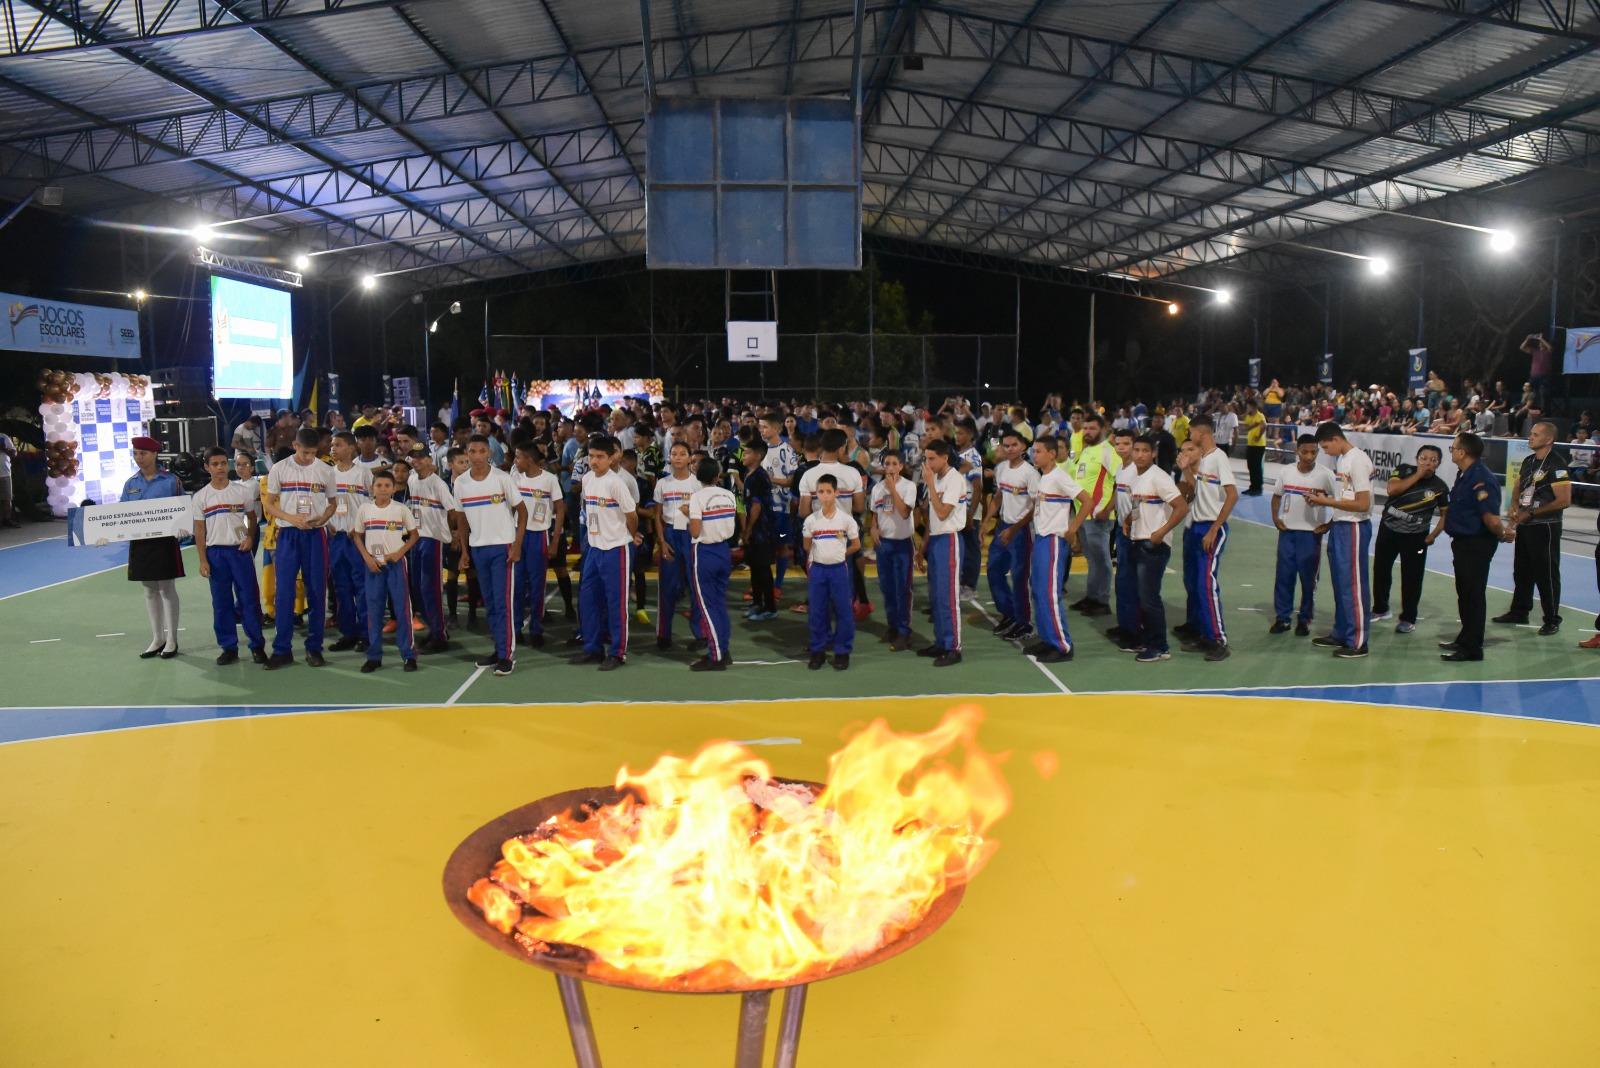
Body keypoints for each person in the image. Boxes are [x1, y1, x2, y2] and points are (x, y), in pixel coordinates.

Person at [263, 428, 337, 668]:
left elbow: (333, 503)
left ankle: (314, 648)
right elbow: (269, 503)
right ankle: (282, 649)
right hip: (288, 535)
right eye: (305, 452)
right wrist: (290, 518)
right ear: (295, 445)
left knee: (317, 591)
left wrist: (324, 518)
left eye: (313, 453)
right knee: (284, 591)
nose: (308, 458)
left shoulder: (325, 470)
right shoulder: (279, 468)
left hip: (315, 535)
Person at [455, 434, 526, 676]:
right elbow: (461, 519)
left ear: (490, 453)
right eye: (472, 451)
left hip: (503, 547)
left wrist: (517, 544)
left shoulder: (502, 478)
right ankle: (498, 648)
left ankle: (506, 655)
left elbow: (522, 511)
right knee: (491, 603)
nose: (476, 456)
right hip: (478, 548)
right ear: (466, 453)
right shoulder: (461, 483)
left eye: (481, 451)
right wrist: (464, 550)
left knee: (503, 602)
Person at [1493, 420, 1571, 635]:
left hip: (1545, 527)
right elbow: (1519, 485)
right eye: (1531, 433)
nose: (1530, 436)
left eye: (1535, 434)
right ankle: (1520, 610)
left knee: (1546, 573)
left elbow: (1564, 500)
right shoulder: (1529, 461)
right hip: (1526, 524)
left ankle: (1552, 619)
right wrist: (1514, 506)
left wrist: (1532, 513)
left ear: (1548, 439)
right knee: (1522, 571)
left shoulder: (1557, 463)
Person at [1305, 422, 1375, 658]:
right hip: (1341, 525)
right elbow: (1347, 496)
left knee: (1353, 585)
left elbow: (1363, 503)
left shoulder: (1357, 460)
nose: (1325, 452)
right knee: (1340, 583)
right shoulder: (1343, 460)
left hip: (1354, 527)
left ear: (1336, 439)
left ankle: (1357, 641)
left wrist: (1327, 503)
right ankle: (1342, 632)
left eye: (1326, 447)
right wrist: (1331, 515)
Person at [190, 447, 265, 665]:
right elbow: (199, 531)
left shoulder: (241, 492)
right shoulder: (201, 497)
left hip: (239, 553)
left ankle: (257, 645)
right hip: (216, 554)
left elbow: (252, 519)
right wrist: (203, 559)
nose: (220, 467)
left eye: (223, 463)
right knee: (221, 603)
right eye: (215, 464)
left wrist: (250, 538)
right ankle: (229, 647)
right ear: (207, 467)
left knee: (249, 599)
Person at [1442, 433, 1510, 662]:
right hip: (1463, 543)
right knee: (1465, 594)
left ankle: (1472, 647)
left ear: (1462, 452)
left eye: (1453, 448)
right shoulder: (1466, 475)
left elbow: (1490, 517)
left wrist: (1502, 533)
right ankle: (1465, 637)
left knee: (1473, 595)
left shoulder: (1481, 478)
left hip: (1475, 544)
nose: (1452, 451)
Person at [574, 434, 639, 670]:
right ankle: (592, 649)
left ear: (612, 458)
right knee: (588, 599)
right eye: (591, 456)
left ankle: (618, 653)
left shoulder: (616, 483)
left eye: (600, 457)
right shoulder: (588, 479)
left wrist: (628, 537)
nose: (594, 461)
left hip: (615, 549)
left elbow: (632, 515)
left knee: (616, 603)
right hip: (594, 547)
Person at [1175, 417, 1236, 662]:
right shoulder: (1206, 459)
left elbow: (1232, 495)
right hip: (1197, 525)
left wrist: (1214, 529)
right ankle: (1203, 632)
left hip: (1210, 527)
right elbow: (1197, 490)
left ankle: (1219, 640)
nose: (1189, 434)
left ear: (1200, 432)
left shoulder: (1218, 457)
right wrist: (1186, 469)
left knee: (1206, 584)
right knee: (1195, 582)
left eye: (1191, 431)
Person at [1370, 445, 1449, 634]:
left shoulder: (1440, 487)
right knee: (1381, 569)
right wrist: (1418, 475)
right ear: (1417, 459)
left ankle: (1408, 618)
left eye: (1433, 460)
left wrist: (1433, 535)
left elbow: (1446, 514)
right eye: (1424, 458)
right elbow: (1392, 489)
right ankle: (1381, 609)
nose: (1427, 462)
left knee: (1412, 577)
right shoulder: (1403, 470)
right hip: (1388, 530)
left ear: (1438, 464)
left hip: (1416, 537)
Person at [1124, 433, 1188, 662]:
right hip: (1139, 540)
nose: (1140, 455)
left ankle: (1160, 646)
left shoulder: (1159, 477)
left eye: (1145, 451)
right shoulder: (1137, 477)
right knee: (1143, 597)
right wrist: (1128, 520)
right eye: (1136, 450)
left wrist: (1161, 532)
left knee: (1149, 597)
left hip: (1153, 545)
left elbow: (1181, 507)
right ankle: (1149, 641)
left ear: (1153, 453)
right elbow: (1139, 506)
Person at [121, 436, 186, 659]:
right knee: (149, 589)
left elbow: (182, 510)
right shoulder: (130, 484)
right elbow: (121, 515)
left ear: (155, 454)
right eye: (136, 453)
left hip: (164, 542)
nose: (139, 458)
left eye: (143, 453)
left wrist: (182, 529)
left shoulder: (170, 481)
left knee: (166, 589)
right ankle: (157, 638)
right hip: (140, 543)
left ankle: (172, 640)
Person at [1027, 435, 1090, 664]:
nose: (1035, 455)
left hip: (1053, 540)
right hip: (1042, 539)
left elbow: (1087, 500)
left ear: (1052, 454)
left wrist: (1073, 528)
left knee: (1050, 593)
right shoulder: (1044, 477)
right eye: (1034, 451)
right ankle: (1047, 638)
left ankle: (1062, 645)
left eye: (1039, 451)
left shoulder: (1059, 477)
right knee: (1038, 590)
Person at [1268, 435, 1335, 637]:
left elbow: (1339, 502)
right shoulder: (1286, 471)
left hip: (1311, 535)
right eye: (1305, 451)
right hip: (1287, 533)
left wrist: (1329, 524)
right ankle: (1283, 618)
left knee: (1308, 580)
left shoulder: (1326, 475)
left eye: (1313, 452)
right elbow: (1276, 496)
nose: (1309, 456)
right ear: (1297, 450)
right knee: (1284, 577)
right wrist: (1275, 518)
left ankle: (1305, 619)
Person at [354, 470, 420, 673]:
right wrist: (367, 558)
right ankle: (374, 656)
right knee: (373, 610)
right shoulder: (364, 509)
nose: (383, 489)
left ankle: (408, 655)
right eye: (379, 485)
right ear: (372, 488)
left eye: (387, 486)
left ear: (393, 489)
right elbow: (357, 535)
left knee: (402, 609)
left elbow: (414, 536)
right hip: (373, 566)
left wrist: (399, 554)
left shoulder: (400, 509)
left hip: (395, 565)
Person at [916, 439, 968, 667]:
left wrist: (929, 484)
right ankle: (941, 641)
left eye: (932, 458)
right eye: (926, 458)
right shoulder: (936, 478)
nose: (928, 463)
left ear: (945, 457)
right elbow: (932, 518)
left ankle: (953, 647)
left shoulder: (954, 479)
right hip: (937, 539)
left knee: (948, 597)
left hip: (950, 539)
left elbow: (943, 512)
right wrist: (923, 546)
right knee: (936, 596)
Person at [801, 473, 860, 670]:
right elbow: (807, 545)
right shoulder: (811, 520)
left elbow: (856, 545)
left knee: (843, 611)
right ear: (816, 493)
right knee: (817, 611)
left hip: (838, 571)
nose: (824, 496)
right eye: (820, 492)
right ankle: (818, 650)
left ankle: (842, 652)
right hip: (818, 570)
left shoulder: (846, 520)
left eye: (828, 492)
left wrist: (842, 554)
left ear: (836, 493)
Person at [687, 457, 738, 671]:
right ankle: (723, 650)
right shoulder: (729, 495)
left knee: (707, 608)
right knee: (718, 604)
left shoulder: (697, 498)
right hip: (724, 550)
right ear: (718, 476)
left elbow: (696, 531)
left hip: (705, 552)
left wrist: (688, 517)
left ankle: (715, 655)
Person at [406, 449, 460, 654]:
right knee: (418, 588)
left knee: (431, 589)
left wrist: (453, 533)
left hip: (434, 539)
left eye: (421, 457)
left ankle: (439, 636)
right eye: (414, 457)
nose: (417, 461)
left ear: (429, 460)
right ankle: (435, 629)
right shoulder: (412, 480)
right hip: (417, 538)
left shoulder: (438, 483)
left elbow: (453, 511)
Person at [651, 442, 703, 651]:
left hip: (691, 535)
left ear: (690, 458)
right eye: (674, 454)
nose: (678, 457)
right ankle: (664, 634)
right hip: (671, 535)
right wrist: (662, 541)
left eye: (683, 454)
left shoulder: (698, 484)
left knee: (695, 586)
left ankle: (700, 633)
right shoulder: (663, 483)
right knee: (667, 587)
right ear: (669, 458)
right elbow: (657, 515)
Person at [988, 428, 1038, 641]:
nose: (1009, 449)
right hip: (1003, 527)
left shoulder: (1030, 473)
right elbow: (998, 496)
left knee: (1019, 578)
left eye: (1013, 445)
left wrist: (1014, 529)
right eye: (1005, 445)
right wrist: (986, 522)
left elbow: (1036, 506)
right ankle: (1010, 614)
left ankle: (1024, 623)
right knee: (993, 570)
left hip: (1021, 532)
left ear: (1023, 447)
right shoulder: (1001, 468)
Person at [325, 432, 373, 653]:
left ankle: (366, 634)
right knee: (341, 587)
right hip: (336, 538)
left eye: (338, 445)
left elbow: (375, 504)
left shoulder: (363, 474)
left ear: (352, 448)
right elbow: (321, 504)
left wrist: (362, 527)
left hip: (358, 539)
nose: (333, 449)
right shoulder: (327, 475)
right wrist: (327, 524)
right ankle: (348, 633)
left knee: (362, 587)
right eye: (332, 445)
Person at [512, 441, 563, 649]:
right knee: (516, 584)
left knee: (537, 585)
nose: (515, 461)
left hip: (539, 536)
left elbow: (560, 509)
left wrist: (556, 540)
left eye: (518, 457)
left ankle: (536, 629)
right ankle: (515, 629)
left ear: (529, 459)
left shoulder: (549, 480)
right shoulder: (514, 478)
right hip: (517, 535)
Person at [1070, 413, 1118, 616]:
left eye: (1092, 428)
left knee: (1102, 559)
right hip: (1083, 515)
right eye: (1086, 428)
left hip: (1098, 516)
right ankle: (1092, 597)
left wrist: (1107, 509)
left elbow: (1121, 482)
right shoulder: (1087, 450)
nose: (1087, 432)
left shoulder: (1107, 451)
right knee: (1092, 559)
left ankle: (1102, 601)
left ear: (1102, 430)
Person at [870, 450, 918, 651]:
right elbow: (875, 513)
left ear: (901, 466)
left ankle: (904, 631)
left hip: (902, 544)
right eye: (886, 463)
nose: (890, 467)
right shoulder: (877, 489)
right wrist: (873, 528)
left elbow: (905, 512)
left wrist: (893, 489)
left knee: (902, 589)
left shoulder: (909, 486)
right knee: (887, 587)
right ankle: (892, 626)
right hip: (884, 544)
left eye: (894, 464)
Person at [758, 414, 799, 599]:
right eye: (761, 427)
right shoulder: (759, 450)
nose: (761, 430)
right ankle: (763, 584)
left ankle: (778, 584)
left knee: (781, 544)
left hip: (782, 509)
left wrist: (769, 479)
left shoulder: (787, 451)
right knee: (763, 546)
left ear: (776, 429)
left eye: (765, 427)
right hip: (764, 509)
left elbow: (791, 481)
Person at [1108, 427, 1142, 650]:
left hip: (1134, 533)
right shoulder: (1121, 468)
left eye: (1126, 444)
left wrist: (1129, 521)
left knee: (1131, 583)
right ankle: (1125, 626)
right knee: (1121, 582)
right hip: (1122, 530)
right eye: (1118, 443)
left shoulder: (1137, 472)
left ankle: (1135, 633)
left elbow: (1139, 504)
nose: (1121, 447)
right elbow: (1117, 494)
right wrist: (1106, 511)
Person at [740, 440, 777, 621]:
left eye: (746, 453)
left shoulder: (758, 477)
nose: (743, 456)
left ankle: (769, 607)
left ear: (758, 456)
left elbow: (756, 507)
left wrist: (747, 530)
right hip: (756, 531)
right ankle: (757, 603)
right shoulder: (750, 475)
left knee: (763, 569)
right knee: (755, 567)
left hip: (761, 531)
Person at [1241, 400, 1267, 495]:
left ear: (1253, 407)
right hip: (1251, 444)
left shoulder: (1260, 415)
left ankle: (1258, 488)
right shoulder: (1249, 416)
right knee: (1250, 466)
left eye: (1248, 407)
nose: (1247, 409)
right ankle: (1252, 487)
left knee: (1256, 467)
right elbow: (1246, 425)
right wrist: (1247, 414)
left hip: (1259, 445)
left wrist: (1259, 436)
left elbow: (1264, 425)